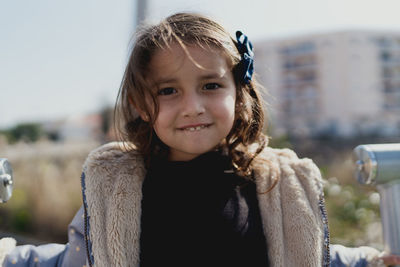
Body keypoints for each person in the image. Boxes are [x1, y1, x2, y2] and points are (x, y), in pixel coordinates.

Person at [1, 12, 400, 267]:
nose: (192, 106)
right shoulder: (117, 188)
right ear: (141, 104)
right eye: (168, 91)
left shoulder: (280, 184)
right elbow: (73, 259)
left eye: (210, 85)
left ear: (239, 95)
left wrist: (370, 262)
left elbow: (317, 254)